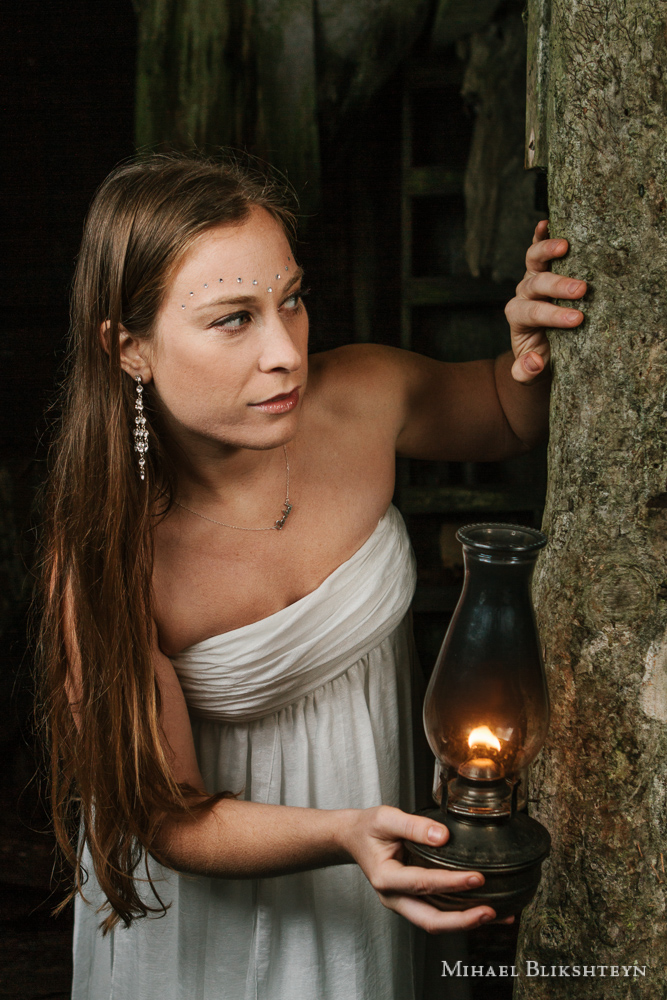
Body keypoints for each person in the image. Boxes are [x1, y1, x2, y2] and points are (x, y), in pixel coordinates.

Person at [37, 154, 586, 1000]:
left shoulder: (361, 393)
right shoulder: (105, 549)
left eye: (289, 299)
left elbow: (508, 416)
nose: (284, 351)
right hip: (204, 923)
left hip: (376, 872)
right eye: (232, 320)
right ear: (131, 347)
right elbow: (165, 816)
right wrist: (346, 833)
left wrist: (525, 345)